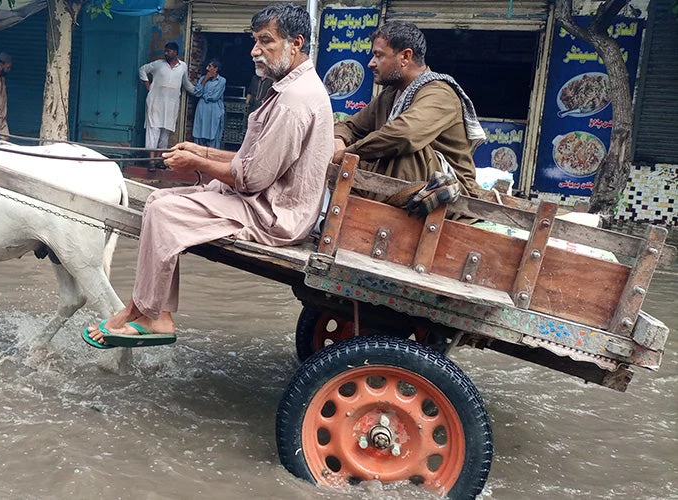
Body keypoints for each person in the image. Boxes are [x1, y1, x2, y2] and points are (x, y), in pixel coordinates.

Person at [82, 3, 333, 348]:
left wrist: (196, 165)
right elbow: (255, 160)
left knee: (163, 211)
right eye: (255, 41)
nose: (255, 51)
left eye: (266, 41)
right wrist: (202, 152)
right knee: (157, 198)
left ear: (297, 43)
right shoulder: (292, 89)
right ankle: (160, 315)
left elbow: (253, 178)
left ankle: (139, 309)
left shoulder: (294, 100)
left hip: (274, 214)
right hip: (266, 201)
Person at [332, 20, 485, 199]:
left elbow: (404, 135)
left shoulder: (440, 93)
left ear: (405, 56)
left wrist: (347, 154)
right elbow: (350, 126)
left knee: (400, 144)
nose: (371, 63)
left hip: (449, 192)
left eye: (379, 55)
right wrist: (338, 140)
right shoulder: (390, 95)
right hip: (406, 188)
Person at [138, 42, 192, 152]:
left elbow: (186, 84)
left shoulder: (183, 66)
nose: (166, 53)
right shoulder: (158, 64)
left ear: (175, 52)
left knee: (165, 133)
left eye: (168, 51)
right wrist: (148, 85)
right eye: (165, 51)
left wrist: (199, 92)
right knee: (153, 131)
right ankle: (151, 161)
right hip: (155, 103)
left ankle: (159, 160)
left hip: (171, 105)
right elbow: (142, 69)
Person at [191, 59, 226, 148]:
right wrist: (205, 79)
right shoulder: (203, 78)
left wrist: (204, 95)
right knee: (199, 132)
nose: (207, 68)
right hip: (202, 108)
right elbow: (197, 93)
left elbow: (215, 96)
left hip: (214, 110)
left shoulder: (221, 81)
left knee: (212, 133)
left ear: (216, 69)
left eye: (210, 66)